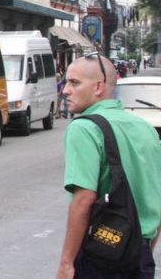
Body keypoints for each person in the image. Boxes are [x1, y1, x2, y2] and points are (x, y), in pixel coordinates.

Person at [56, 54, 161, 278]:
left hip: (100, 255)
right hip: (139, 254)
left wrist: (66, 263)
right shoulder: (146, 129)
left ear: (98, 87)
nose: (65, 90)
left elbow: (83, 198)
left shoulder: (84, 128)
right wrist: (144, 246)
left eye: (74, 83)